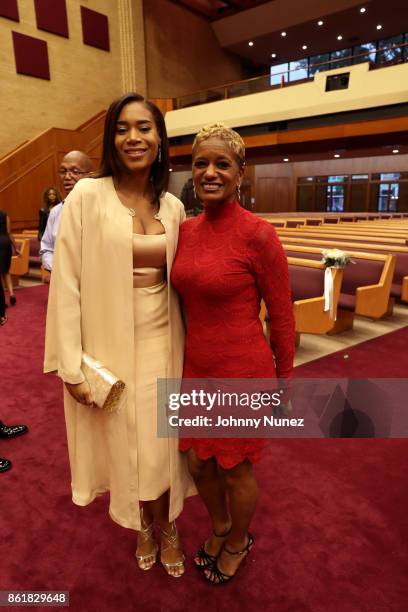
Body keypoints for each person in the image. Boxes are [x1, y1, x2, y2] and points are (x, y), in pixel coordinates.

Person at [44, 92, 194, 578]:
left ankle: (167, 525)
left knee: (165, 441)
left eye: (145, 127)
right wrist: (70, 365)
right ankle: (143, 525)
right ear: (111, 138)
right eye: (123, 128)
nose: (135, 137)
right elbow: (65, 284)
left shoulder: (172, 205)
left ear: (160, 138)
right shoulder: (86, 196)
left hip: (166, 339)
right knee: (129, 442)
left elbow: (189, 280)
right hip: (109, 341)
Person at [171, 123, 295, 584]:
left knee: (236, 468)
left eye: (221, 163)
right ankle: (221, 526)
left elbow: (282, 317)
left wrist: (285, 385)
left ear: (240, 172)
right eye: (201, 163)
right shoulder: (184, 230)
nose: (209, 172)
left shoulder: (259, 235)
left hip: (242, 369)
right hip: (196, 367)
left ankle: (239, 541)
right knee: (199, 461)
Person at [40, 151, 93, 271]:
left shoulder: (104, 208)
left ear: (90, 176)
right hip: (63, 282)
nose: (67, 177)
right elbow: (47, 249)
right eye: (63, 171)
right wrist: (58, 270)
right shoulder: (55, 212)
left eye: (75, 171)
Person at [0, 210, 19, 306]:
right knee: (6, 271)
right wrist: (16, 247)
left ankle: (2, 300)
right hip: (6, 243)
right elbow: (9, 232)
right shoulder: (5, 214)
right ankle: (12, 294)